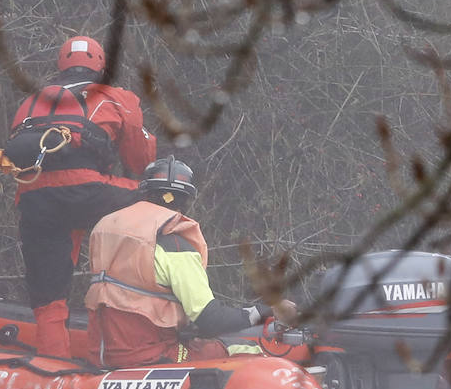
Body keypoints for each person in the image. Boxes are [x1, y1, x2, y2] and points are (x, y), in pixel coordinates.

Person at [5, 35, 155, 357]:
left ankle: (50, 368)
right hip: (86, 191)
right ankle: (138, 330)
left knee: (49, 298)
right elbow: (140, 161)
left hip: (35, 199)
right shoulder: (116, 97)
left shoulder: (32, 100)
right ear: (101, 65)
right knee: (157, 196)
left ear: (61, 65)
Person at [81, 156, 296, 367]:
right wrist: (265, 310)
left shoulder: (105, 229)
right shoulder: (175, 247)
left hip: (98, 353)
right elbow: (210, 320)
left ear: (144, 191)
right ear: (185, 200)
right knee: (248, 351)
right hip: (149, 356)